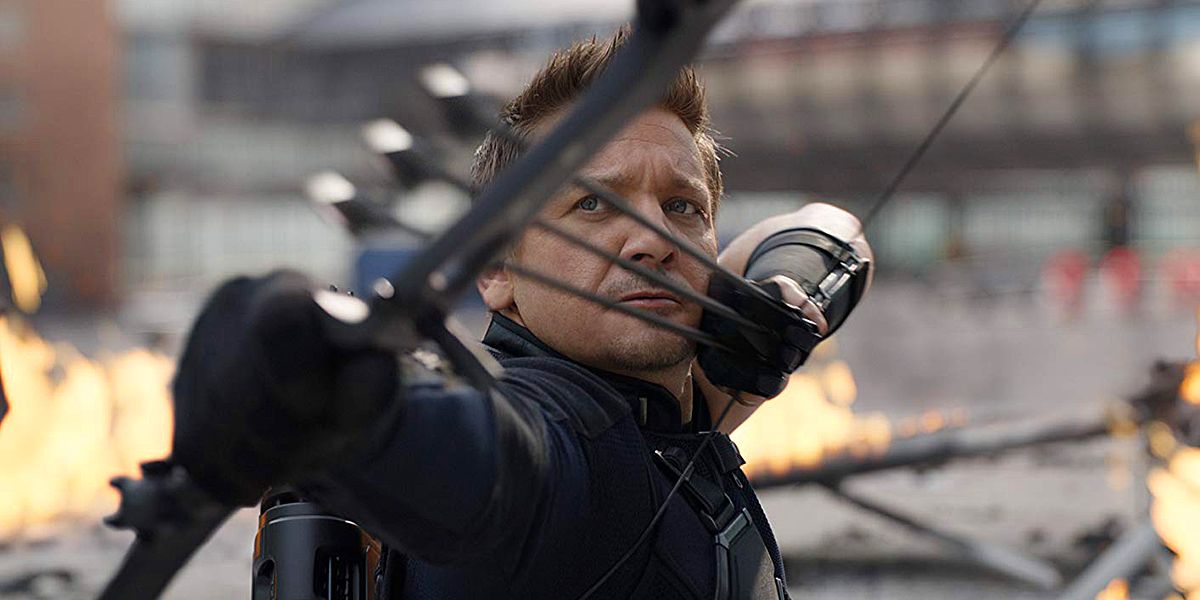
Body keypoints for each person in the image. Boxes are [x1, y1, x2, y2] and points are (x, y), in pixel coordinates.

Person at [171, 30, 872, 600]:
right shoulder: (570, 446)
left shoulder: (677, 404)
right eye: (592, 204)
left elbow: (834, 231)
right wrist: (336, 393)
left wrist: (783, 292)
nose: (653, 239)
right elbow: (494, 458)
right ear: (497, 271)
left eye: (682, 207)